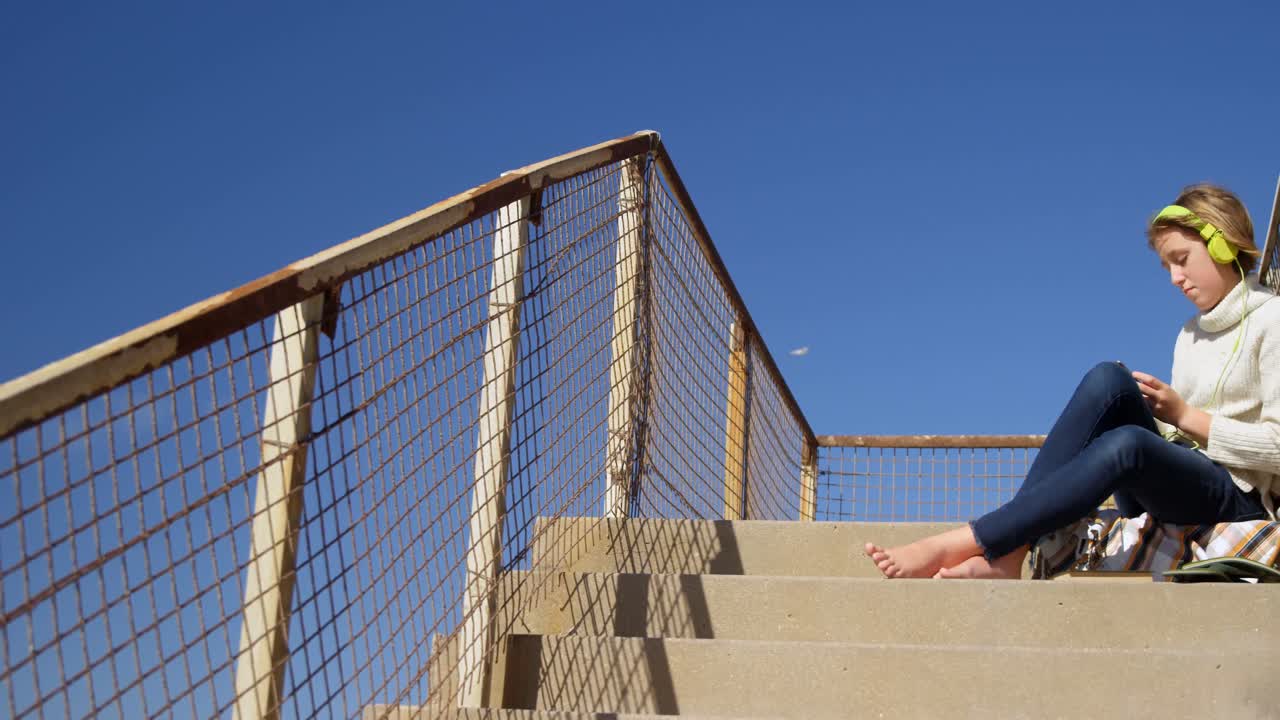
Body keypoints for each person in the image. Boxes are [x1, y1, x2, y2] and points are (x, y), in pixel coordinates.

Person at [865, 183, 1280, 579]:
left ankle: (975, 540)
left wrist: (1186, 416)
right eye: (1166, 265)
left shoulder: (1272, 320)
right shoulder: (1190, 334)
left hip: (1238, 496)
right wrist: (1167, 420)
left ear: (1222, 244)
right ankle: (1012, 551)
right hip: (1180, 482)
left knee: (1129, 444)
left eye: (1181, 258)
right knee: (1109, 378)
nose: (1174, 277)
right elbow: (1177, 439)